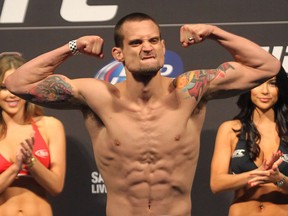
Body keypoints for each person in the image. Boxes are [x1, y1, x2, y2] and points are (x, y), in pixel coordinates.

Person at [5, 12, 280, 216]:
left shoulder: (191, 90)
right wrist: (73, 46)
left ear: (163, 47)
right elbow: (18, 83)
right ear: (118, 53)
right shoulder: (98, 97)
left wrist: (213, 32)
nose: (147, 47)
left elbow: (266, 67)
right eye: (136, 43)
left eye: (153, 40)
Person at [210, 67, 288, 216]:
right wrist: (257, 174)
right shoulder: (230, 129)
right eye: (258, 83)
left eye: (272, 84)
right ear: (248, 87)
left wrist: (280, 179)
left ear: (281, 88)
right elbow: (216, 183)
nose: (265, 91)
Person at [0, 53, 66, 216]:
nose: (11, 94)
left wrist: (31, 162)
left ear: (27, 87)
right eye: (3, 88)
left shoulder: (50, 126)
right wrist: (15, 168)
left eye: (16, 86)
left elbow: (56, 187)